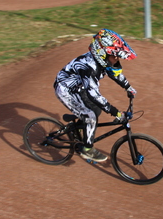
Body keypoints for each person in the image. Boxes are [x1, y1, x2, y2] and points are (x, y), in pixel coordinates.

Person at [53, 28, 137, 162]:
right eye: (114, 56)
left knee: (96, 110)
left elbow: (114, 73)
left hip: (79, 88)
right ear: (102, 54)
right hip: (65, 90)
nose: (117, 59)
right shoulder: (89, 68)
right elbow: (94, 95)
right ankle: (87, 150)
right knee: (90, 116)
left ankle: (79, 128)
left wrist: (128, 87)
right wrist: (116, 113)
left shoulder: (102, 61)